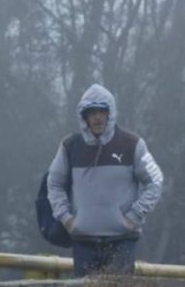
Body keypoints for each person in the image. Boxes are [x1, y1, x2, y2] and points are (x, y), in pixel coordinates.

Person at [47, 83, 164, 277]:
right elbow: (54, 183)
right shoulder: (69, 146)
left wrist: (134, 216)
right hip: (84, 242)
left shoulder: (133, 144)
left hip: (122, 241)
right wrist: (66, 218)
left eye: (102, 111)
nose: (97, 117)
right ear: (84, 117)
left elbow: (156, 180)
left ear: (110, 114)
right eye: (91, 112)